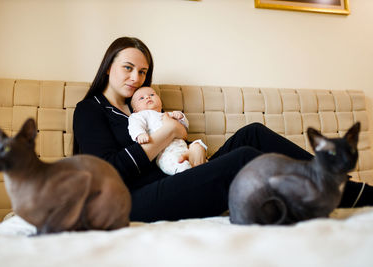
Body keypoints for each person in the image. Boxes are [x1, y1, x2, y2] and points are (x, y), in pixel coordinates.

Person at [73, 36, 372, 222]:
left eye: (143, 72)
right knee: (244, 158)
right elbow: (108, 172)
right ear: (108, 66)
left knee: (252, 133)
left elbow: (181, 143)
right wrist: (171, 132)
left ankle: (335, 180)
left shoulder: (143, 105)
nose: (137, 78)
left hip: (180, 173)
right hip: (137, 198)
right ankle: (342, 192)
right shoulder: (90, 110)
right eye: (128, 67)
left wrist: (193, 146)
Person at [128, 86, 201, 175]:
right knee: (180, 165)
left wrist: (181, 117)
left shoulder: (167, 114)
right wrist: (140, 134)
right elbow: (134, 125)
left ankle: (201, 166)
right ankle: (188, 173)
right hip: (164, 153)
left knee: (199, 144)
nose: (148, 97)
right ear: (135, 110)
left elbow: (185, 128)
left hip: (183, 147)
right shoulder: (140, 115)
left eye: (152, 94)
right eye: (141, 98)